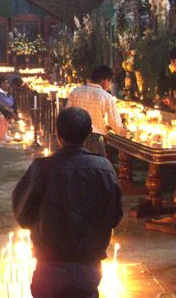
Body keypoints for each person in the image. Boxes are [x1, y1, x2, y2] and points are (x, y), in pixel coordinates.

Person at [12, 107, 123, 298]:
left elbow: (23, 213)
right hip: (88, 263)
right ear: (89, 133)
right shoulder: (104, 168)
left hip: (51, 262)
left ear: (58, 134)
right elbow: (115, 214)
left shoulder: (43, 168)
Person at [67, 65, 127, 156]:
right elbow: (115, 124)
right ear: (105, 81)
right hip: (95, 140)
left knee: (77, 163)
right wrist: (123, 131)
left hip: (75, 138)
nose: (109, 86)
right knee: (95, 164)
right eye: (110, 82)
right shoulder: (106, 97)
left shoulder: (75, 92)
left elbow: (67, 116)